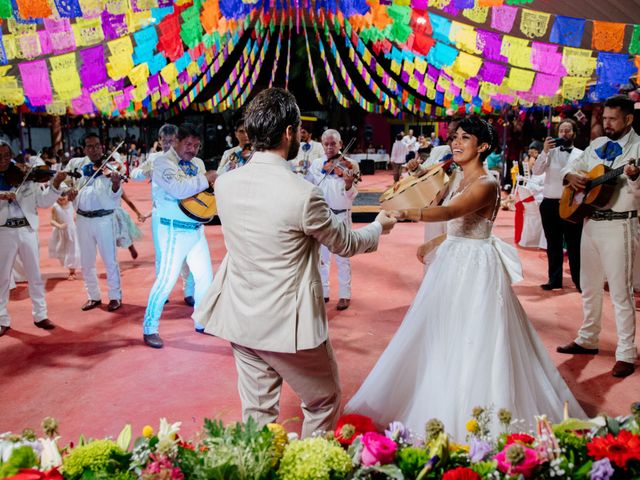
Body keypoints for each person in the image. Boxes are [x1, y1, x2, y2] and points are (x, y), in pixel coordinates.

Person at [345, 117, 585, 440]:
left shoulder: (486, 183)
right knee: (440, 330)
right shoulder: (457, 175)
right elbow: (455, 222)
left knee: (476, 335)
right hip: (452, 259)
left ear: (482, 147)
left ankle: (477, 416)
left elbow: (449, 213)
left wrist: (407, 213)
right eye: (455, 137)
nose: (456, 143)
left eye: (465, 138)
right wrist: (435, 241)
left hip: (476, 267)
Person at [193, 88, 397, 437]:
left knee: (256, 414)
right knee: (323, 401)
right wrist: (380, 225)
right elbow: (345, 243)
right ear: (290, 133)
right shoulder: (303, 193)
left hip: (240, 314)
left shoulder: (225, 183)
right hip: (288, 322)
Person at [557, 95, 640, 378]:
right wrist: (571, 177)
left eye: (612, 119)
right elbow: (573, 167)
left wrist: (634, 177)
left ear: (628, 119)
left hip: (621, 225)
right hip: (590, 222)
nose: (606, 124)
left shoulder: (639, 148)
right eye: (604, 118)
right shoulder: (597, 145)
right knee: (588, 285)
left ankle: (626, 353)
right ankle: (588, 338)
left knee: (620, 292)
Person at [141, 123, 217, 349]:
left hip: (196, 229)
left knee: (205, 277)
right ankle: (150, 328)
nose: (192, 149)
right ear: (176, 142)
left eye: (196, 145)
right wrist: (207, 178)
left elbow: (203, 194)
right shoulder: (162, 162)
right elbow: (179, 189)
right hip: (173, 229)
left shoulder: (198, 163)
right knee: (166, 279)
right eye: (188, 144)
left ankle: (202, 320)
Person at [0, 141, 68, 336]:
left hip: (27, 231)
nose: (3, 160)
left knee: (35, 276)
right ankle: (2, 318)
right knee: (2, 278)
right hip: (4, 231)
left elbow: (44, 202)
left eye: (6, 155)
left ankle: (40, 314)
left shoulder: (26, 176)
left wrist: (55, 184)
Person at [130, 124, 196, 307]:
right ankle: (163, 290)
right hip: (159, 213)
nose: (167, 144)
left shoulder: (184, 158)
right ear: (159, 141)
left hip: (182, 211)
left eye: (171, 140)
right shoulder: (154, 158)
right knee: (161, 254)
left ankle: (189, 290)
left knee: (185, 254)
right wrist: (146, 171)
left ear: (178, 140)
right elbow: (133, 174)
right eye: (164, 141)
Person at [66, 133, 124, 312]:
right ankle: (93, 296)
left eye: (97, 145)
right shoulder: (76, 164)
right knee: (86, 261)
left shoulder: (110, 166)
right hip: (83, 219)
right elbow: (64, 184)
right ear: (84, 149)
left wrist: (115, 184)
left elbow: (116, 196)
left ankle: (115, 296)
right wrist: (68, 191)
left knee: (109, 260)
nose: (94, 149)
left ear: (102, 146)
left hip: (104, 219)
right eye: (90, 146)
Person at [309, 129, 360, 311]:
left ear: (340, 144)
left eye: (333, 144)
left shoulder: (351, 164)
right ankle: (324, 292)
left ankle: (345, 294)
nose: (330, 147)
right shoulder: (316, 164)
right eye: (326, 144)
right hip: (323, 215)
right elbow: (313, 187)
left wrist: (348, 184)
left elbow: (351, 195)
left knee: (343, 256)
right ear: (322, 145)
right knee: (322, 257)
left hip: (341, 215)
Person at [533, 119, 583, 291]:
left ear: (574, 133)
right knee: (552, 244)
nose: (564, 134)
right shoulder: (550, 153)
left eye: (568, 130)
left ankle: (579, 281)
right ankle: (554, 280)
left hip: (572, 204)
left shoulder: (581, 154)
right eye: (561, 130)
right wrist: (544, 151)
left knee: (574, 244)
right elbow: (536, 171)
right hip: (550, 203)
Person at [49, 194, 80, 280]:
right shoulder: (55, 207)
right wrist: (59, 225)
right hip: (61, 233)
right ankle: (69, 266)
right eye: (59, 195)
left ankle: (72, 271)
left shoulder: (71, 204)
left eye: (64, 195)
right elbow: (52, 221)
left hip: (72, 231)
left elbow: (77, 214)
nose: (61, 197)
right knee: (62, 251)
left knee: (72, 250)